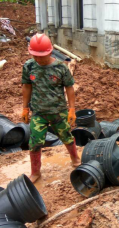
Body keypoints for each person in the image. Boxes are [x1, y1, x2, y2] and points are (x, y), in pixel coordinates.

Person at [21, 33, 81, 183]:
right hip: (38, 113)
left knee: (66, 136)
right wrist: (25, 108)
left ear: (50, 51)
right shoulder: (29, 66)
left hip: (58, 112)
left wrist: (72, 109)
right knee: (34, 142)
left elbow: (69, 88)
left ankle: (75, 158)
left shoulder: (61, 68)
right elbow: (27, 87)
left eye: (42, 56)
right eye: (35, 56)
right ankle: (35, 172)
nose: (39, 59)